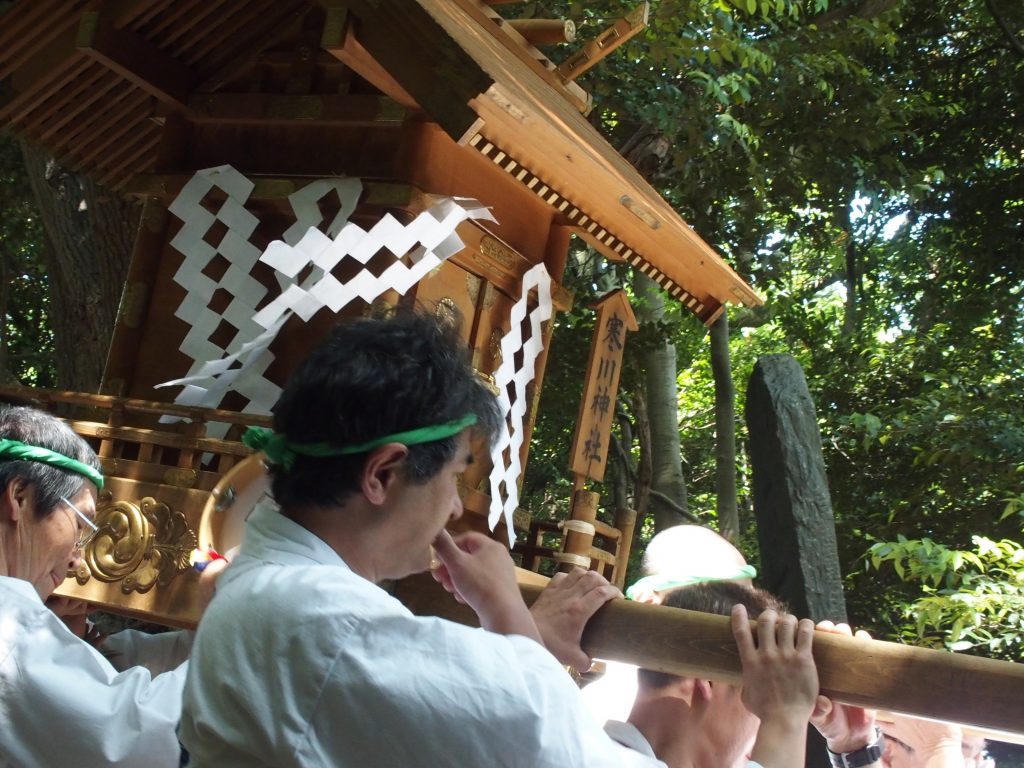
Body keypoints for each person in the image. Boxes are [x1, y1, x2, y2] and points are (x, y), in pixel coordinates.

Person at [178, 311, 664, 767]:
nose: (455, 507)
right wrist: (505, 608)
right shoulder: (331, 621)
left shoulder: (264, 584)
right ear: (383, 475)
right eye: (454, 476)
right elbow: (546, 748)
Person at [0, 405, 189, 767]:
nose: (76, 560)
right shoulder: (9, 623)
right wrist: (241, 627)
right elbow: (137, 741)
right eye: (80, 523)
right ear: (20, 496)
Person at [615, 582, 882, 768]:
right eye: (764, 701)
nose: (760, 742)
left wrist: (856, 750)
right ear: (707, 680)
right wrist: (784, 717)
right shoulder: (592, 758)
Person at [581, 524, 755, 724]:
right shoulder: (603, 711)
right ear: (648, 604)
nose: (742, 622)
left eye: (750, 607)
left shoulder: (748, 702)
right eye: (722, 602)